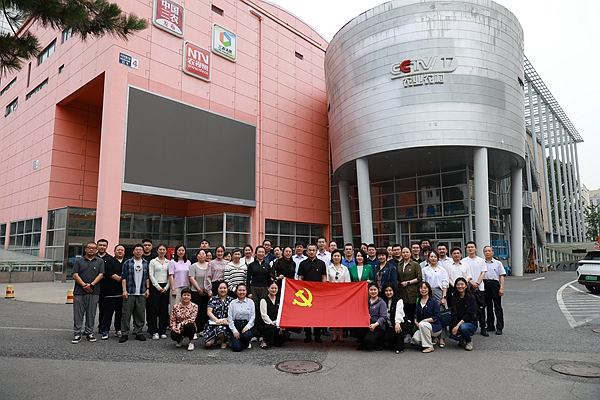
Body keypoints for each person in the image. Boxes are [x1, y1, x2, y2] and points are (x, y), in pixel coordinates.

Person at [71, 241, 105, 343]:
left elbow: (101, 274)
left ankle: (89, 332)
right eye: (89, 247)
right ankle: (77, 333)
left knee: (91, 313)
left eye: (93, 248)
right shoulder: (79, 261)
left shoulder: (100, 261)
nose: (91, 249)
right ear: (85, 249)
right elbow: (75, 274)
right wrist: (84, 285)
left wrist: (91, 285)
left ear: (96, 250)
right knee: (78, 313)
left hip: (94, 291)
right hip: (79, 291)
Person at [119, 244, 150, 343]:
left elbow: (147, 278)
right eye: (136, 250)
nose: (138, 251)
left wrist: (147, 289)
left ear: (143, 252)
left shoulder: (146, 263)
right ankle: (124, 333)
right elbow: (123, 277)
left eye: (140, 250)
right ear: (133, 251)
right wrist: (124, 290)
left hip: (141, 292)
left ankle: (138, 332)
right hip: (130, 291)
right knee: (126, 313)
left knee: (140, 313)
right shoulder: (127, 263)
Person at [298, 243, 327, 343]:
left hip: (318, 293)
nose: (311, 252)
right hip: (306, 294)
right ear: (306, 252)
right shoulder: (303, 263)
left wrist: (323, 289)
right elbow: (300, 277)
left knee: (318, 314)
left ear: (316, 251)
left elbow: (324, 277)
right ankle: (308, 334)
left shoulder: (321, 263)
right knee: (306, 314)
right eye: (309, 250)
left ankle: (317, 335)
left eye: (313, 250)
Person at [421, 250, 449, 347]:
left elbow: (445, 284)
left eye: (435, 257)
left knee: (440, 315)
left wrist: (444, 297)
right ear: (428, 258)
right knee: (429, 315)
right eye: (431, 257)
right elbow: (423, 282)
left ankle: (442, 338)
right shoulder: (425, 270)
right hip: (427, 292)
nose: (433, 258)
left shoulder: (442, 270)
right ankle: (434, 336)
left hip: (439, 292)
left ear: (437, 258)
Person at [461, 241, 488, 336]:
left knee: (481, 308)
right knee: (470, 308)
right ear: (466, 249)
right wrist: (471, 284)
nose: (470, 249)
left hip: (480, 288)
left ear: (476, 248)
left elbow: (483, 273)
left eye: (472, 247)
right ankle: (471, 327)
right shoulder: (463, 261)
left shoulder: (481, 260)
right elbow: (465, 275)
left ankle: (483, 327)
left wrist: (477, 284)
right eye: (468, 247)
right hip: (468, 288)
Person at [397, 245, 422, 343]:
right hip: (402, 293)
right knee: (404, 314)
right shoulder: (399, 264)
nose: (405, 254)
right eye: (403, 252)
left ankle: (413, 334)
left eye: (407, 252)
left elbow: (419, 278)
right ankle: (406, 334)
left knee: (412, 314)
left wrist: (408, 282)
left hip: (412, 292)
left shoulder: (415, 264)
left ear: (410, 253)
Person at [247, 245, 272, 338]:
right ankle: (254, 332)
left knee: (263, 310)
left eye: (263, 252)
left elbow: (269, 279)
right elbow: (248, 279)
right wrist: (249, 292)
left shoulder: (267, 265)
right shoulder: (252, 265)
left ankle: (262, 332)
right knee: (255, 310)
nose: (261, 254)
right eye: (259, 252)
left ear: (265, 254)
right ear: (256, 253)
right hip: (254, 288)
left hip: (264, 289)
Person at [101, 244, 125, 339]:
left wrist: (123, 279)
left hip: (122, 292)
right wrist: (119, 278)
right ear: (114, 251)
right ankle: (105, 330)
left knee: (120, 313)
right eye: (118, 250)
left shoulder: (127, 262)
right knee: (108, 313)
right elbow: (108, 272)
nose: (120, 251)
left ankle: (118, 329)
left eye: (122, 250)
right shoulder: (109, 261)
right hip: (110, 292)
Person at [326, 249, 350, 342]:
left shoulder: (345, 269)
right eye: (335, 256)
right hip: (332, 295)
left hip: (342, 295)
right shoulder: (329, 268)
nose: (336, 257)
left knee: (341, 315)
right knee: (333, 315)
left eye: (338, 256)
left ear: (341, 257)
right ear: (332, 257)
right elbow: (327, 282)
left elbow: (347, 283)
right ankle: (335, 334)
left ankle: (341, 334)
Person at [148, 244, 170, 340]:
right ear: (157, 251)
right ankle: (154, 331)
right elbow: (151, 275)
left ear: (166, 251)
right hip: (155, 287)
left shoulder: (169, 262)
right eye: (160, 249)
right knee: (154, 310)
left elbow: (170, 276)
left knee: (163, 310)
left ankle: (162, 331)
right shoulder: (153, 262)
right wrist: (158, 287)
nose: (162, 251)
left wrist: (166, 287)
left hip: (166, 287)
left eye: (163, 249)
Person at [412, 282, 442, 353]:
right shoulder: (418, 301)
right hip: (422, 326)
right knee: (415, 339)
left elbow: (437, 316)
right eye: (421, 288)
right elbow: (415, 314)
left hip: (434, 327)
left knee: (422, 324)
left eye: (425, 288)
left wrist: (426, 320)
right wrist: (415, 321)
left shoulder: (433, 301)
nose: (423, 290)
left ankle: (429, 346)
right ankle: (431, 340)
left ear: (429, 289)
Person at [356, 282, 387, 350]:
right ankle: (363, 344)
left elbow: (383, 317)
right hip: (366, 324)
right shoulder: (365, 301)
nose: (373, 292)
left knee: (369, 340)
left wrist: (375, 325)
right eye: (371, 290)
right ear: (368, 290)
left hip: (378, 326)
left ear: (378, 290)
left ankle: (380, 342)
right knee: (356, 328)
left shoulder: (381, 302)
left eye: (375, 290)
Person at [382, 283, 411, 354]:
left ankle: (400, 347)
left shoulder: (399, 300)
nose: (388, 292)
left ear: (394, 291)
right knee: (387, 337)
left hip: (402, 322)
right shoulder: (383, 301)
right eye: (386, 291)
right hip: (391, 325)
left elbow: (399, 313)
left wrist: (397, 323)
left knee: (398, 329)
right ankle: (395, 343)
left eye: (390, 290)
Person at [483, 246, 506, 335]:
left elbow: (501, 276)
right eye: (486, 251)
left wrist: (501, 288)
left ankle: (499, 327)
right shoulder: (482, 263)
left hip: (494, 284)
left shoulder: (498, 263)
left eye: (489, 251)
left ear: (492, 252)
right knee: (488, 306)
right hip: (485, 284)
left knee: (497, 306)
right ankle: (490, 325)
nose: (487, 252)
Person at [450, 277, 477, 351]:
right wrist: (454, 326)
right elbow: (454, 313)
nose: (460, 286)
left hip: (470, 323)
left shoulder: (471, 298)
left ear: (466, 286)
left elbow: (469, 315)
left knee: (463, 327)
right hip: (459, 322)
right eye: (458, 284)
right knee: (454, 334)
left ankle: (469, 341)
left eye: (462, 284)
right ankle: (463, 338)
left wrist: (458, 326)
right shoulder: (454, 297)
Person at [203, 282, 233, 348]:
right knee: (208, 344)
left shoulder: (231, 300)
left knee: (221, 329)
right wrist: (216, 320)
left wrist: (227, 319)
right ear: (218, 289)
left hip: (225, 323)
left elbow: (234, 313)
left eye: (224, 288)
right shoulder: (213, 299)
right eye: (220, 288)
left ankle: (223, 341)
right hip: (214, 322)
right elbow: (209, 312)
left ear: (227, 289)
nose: (222, 290)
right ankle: (215, 338)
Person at [257, 282, 286, 349]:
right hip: (265, 323)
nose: (274, 290)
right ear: (268, 288)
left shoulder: (279, 300)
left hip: (276, 323)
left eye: (276, 288)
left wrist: (279, 323)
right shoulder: (263, 300)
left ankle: (272, 340)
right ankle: (264, 341)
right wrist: (271, 323)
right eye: (272, 288)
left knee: (285, 335)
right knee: (272, 329)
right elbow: (264, 315)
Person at [228, 284, 255, 352]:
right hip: (236, 324)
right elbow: (230, 318)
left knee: (246, 335)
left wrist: (247, 327)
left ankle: (245, 342)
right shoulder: (232, 303)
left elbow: (252, 317)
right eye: (239, 290)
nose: (241, 292)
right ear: (236, 291)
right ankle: (237, 342)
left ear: (246, 291)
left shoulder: (250, 302)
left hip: (246, 324)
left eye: (243, 290)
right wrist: (234, 331)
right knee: (237, 348)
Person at [189, 249, 210, 337]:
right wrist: (199, 289)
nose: (201, 255)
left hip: (207, 292)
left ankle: (202, 329)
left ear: (206, 256)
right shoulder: (193, 266)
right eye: (199, 254)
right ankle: (195, 330)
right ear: (197, 256)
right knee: (196, 311)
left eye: (203, 254)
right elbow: (192, 278)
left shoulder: (209, 265)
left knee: (204, 311)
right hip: (196, 291)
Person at [95, 238, 113, 334]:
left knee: (103, 308)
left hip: (105, 287)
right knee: (90, 309)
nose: (102, 247)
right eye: (100, 245)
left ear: (107, 247)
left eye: (104, 245)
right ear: (97, 246)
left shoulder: (110, 259)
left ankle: (102, 326)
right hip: (93, 286)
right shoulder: (91, 257)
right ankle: (88, 327)